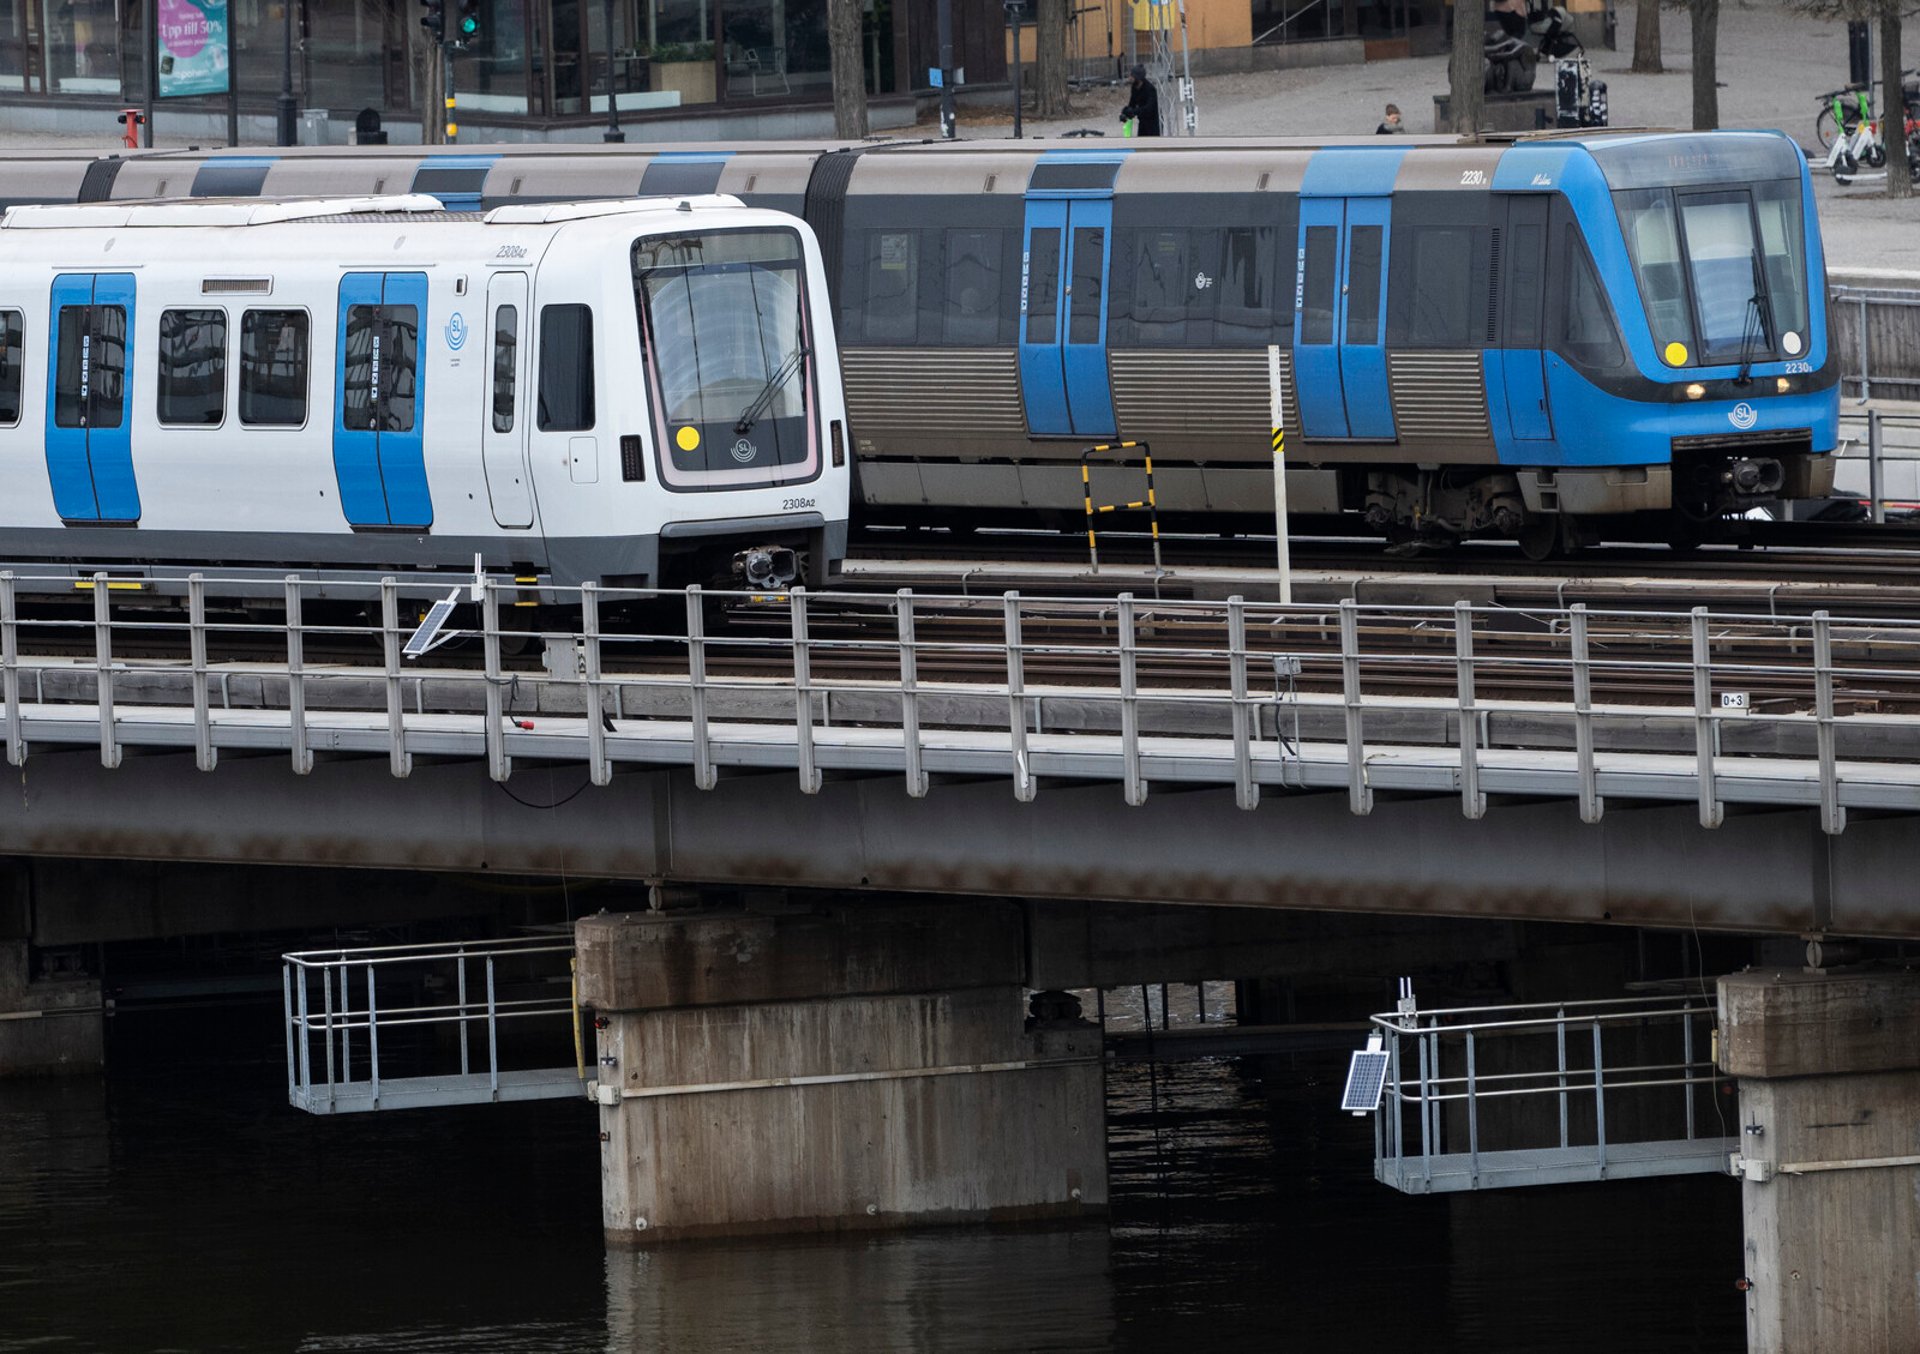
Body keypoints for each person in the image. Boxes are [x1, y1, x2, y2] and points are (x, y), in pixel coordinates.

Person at [1119, 65, 1161, 137]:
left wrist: (1134, 111)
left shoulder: (1150, 89)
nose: (1129, 78)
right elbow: (1132, 104)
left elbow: (1149, 109)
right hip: (1142, 122)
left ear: (1138, 78)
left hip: (1153, 123)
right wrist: (1125, 113)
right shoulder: (1134, 88)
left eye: (1131, 76)